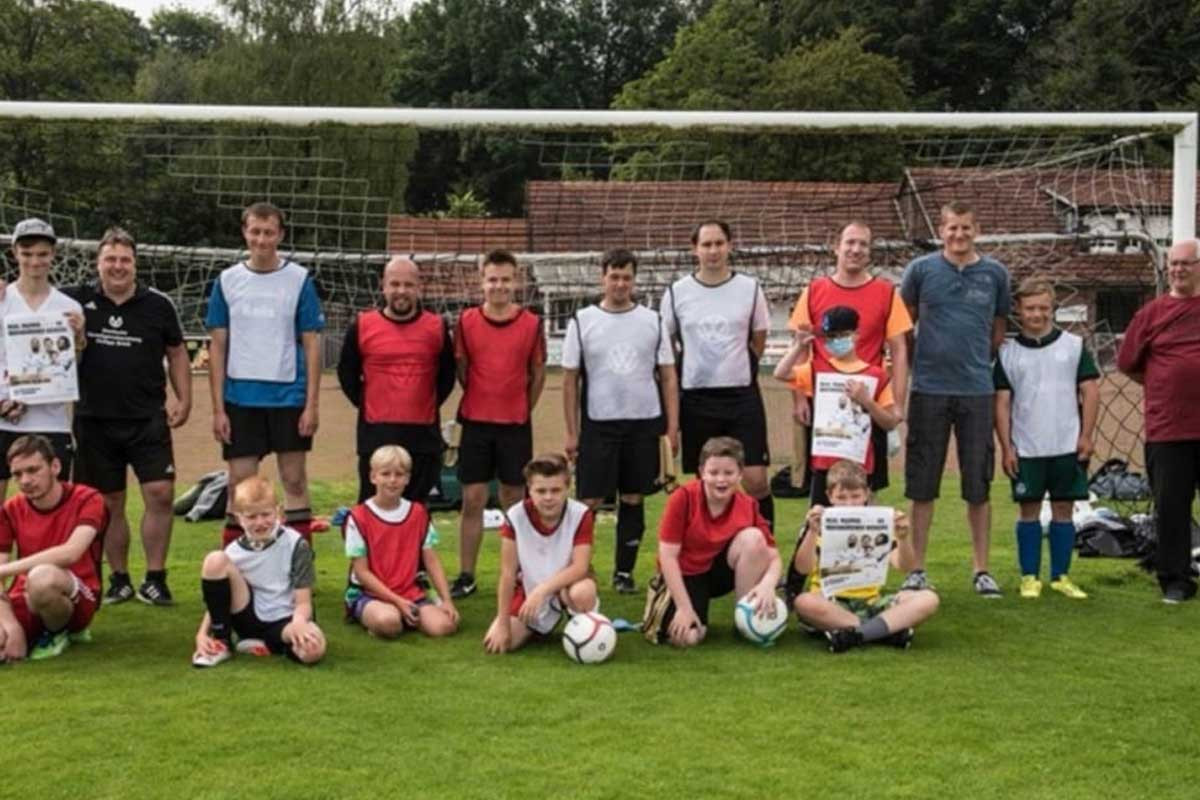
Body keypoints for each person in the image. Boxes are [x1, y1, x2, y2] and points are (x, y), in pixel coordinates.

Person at [64, 227, 191, 606]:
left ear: (135, 264)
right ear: (97, 263)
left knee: (161, 493)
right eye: (110, 260)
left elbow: (178, 353)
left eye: (125, 260)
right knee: (108, 503)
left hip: (147, 418)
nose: (117, 267)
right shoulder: (73, 300)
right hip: (93, 419)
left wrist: (184, 397)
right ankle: (118, 578)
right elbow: (30, 309)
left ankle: (155, 578)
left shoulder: (158, 305)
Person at [899, 201, 1011, 597]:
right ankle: (916, 568)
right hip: (928, 388)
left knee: (978, 483)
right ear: (941, 230)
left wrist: (977, 360)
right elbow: (903, 326)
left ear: (976, 228)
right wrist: (920, 363)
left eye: (966, 228)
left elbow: (998, 328)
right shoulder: (921, 271)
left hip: (977, 391)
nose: (958, 235)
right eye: (952, 228)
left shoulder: (996, 274)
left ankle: (982, 570)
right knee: (922, 484)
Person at [205, 202, 324, 546]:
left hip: (288, 397)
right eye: (255, 231)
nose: (261, 239)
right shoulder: (227, 282)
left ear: (280, 235)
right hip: (241, 399)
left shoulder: (299, 280)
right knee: (240, 485)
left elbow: (312, 345)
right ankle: (235, 568)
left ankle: (300, 566)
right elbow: (217, 347)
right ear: (245, 232)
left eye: (269, 232)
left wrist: (311, 404)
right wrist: (218, 409)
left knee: (294, 480)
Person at [562, 248, 679, 593]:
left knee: (633, 497)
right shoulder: (582, 321)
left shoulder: (652, 320)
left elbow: (668, 376)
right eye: (614, 276)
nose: (620, 283)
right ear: (603, 278)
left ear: (634, 280)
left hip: (643, 424)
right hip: (599, 424)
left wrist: (671, 428)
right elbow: (570, 381)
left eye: (627, 277)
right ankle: (581, 569)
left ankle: (623, 573)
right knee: (590, 502)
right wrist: (572, 432)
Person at [660, 220, 774, 528]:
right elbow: (667, 342)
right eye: (706, 244)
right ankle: (709, 550)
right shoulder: (676, 293)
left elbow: (758, 337)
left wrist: (739, 364)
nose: (713, 251)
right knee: (707, 481)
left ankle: (765, 545)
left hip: (741, 396)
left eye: (719, 243)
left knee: (755, 479)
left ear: (730, 245)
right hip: (697, 398)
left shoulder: (750, 289)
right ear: (694, 249)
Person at [995, 276, 1099, 600]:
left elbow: (1090, 389)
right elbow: (1002, 401)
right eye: (1030, 308)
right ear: (1018, 310)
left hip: (1066, 444)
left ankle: (1061, 576)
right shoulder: (1007, 352)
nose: (1037, 314)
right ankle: (1029, 577)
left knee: (1063, 509)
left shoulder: (1073, 346)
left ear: (1053, 308)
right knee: (1028, 510)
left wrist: (1086, 434)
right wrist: (1006, 445)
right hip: (1027, 446)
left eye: (1043, 307)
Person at [788, 221, 912, 493]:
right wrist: (799, 398)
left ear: (870, 252)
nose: (856, 249)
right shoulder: (814, 291)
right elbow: (801, 345)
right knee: (823, 486)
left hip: (868, 402)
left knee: (866, 486)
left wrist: (898, 403)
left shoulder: (887, 293)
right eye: (850, 242)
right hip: (824, 403)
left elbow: (899, 349)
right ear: (837, 247)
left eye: (863, 244)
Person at [450, 249, 546, 599]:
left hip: (514, 424)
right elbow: (463, 368)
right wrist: (483, 398)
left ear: (516, 280)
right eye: (492, 279)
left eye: (505, 279)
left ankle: (521, 572)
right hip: (476, 422)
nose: (499, 286)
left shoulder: (532, 324)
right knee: (472, 498)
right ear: (482, 282)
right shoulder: (465, 322)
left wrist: (519, 407)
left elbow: (536, 375)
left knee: (515, 500)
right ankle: (466, 574)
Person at [1116, 238, 1200, 604]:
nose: (1179, 270)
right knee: (1171, 507)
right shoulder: (1151, 315)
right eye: (1174, 264)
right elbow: (1128, 365)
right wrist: (1167, 384)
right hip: (1169, 428)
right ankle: (1175, 580)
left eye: (1186, 263)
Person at [787, 459, 939, 653]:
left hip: (871, 603)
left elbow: (905, 566)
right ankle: (884, 631)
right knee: (804, 602)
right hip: (831, 602)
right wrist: (811, 531)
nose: (849, 503)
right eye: (841, 497)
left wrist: (903, 538)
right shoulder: (820, 522)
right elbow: (802, 569)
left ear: (866, 494)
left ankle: (856, 634)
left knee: (928, 598)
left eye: (855, 496)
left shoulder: (878, 522)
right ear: (829, 496)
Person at [642, 436, 781, 648]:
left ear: (740, 474)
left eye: (728, 473)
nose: (721, 480)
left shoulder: (748, 504)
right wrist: (684, 608)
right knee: (688, 638)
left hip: (719, 572)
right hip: (687, 574)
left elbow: (773, 557)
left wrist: (767, 585)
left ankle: (744, 619)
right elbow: (667, 556)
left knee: (754, 538)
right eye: (713, 473)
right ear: (701, 472)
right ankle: (668, 607)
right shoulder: (683, 498)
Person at [337, 256, 455, 504]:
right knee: (373, 511)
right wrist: (371, 402)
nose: (401, 291)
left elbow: (446, 377)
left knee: (416, 513)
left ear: (419, 287)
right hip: (376, 435)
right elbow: (347, 374)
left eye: (408, 285)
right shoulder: (361, 325)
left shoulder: (437, 327)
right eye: (395, 284)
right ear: (384, 286)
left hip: (423, 438)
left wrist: (424, 403)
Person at [191, 475, 325, 667]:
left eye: (266, 514)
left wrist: (298, 624)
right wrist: (202, 633)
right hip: (248, 616)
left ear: (278, 512)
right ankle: (221, 643)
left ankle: (271, 645)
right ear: (239, 518)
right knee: (214, 560)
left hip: (286, 620)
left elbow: (303, 601)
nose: (260, 522)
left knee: (313, 650)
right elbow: (217, 601)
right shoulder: (234, 551)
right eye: (251, 517)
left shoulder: (296, 544)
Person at [773, 305, 901, 507]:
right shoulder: (817, 369)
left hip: (859, 465)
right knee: (818, 526)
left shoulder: (876, 375)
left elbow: (890, 422)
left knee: (859, 527)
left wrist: (867, 402)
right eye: (830, 337)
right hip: (824, 464)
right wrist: (798, 346)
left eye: (842, 335)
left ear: (857, 335)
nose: (835, 341)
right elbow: (780, 373)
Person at [0, 434, 108, 662]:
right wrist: (11, 626)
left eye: (33, 470)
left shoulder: (88, 498)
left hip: (77, 595)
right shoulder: (11, 509)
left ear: (55, 466)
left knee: (43, 577)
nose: (25, 481)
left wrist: (6, 571)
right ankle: (24, 635)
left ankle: (58, 633)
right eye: (17, 474)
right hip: (25, 597)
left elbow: (71, 552)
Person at [0, 219, 86, 496]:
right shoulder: (3, 299)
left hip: (51, 422)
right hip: (3, 418)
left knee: (51, 507)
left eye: (42, 254)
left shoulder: (69, 308)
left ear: (53, 254)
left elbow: (74, 367)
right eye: (26, 254)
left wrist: (80, 339)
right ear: (14, 253)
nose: (34, 261)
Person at [482, 453, 597, 654]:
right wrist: (503, 624)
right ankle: (535, 626)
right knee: (499, 644)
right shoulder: (515, 516)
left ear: (568, 488)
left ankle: (583, 625)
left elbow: (580, 567)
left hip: (567, 586)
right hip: (528, 588)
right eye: (541, 490)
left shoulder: (581, 514)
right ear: (529, 489)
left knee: (583, 592)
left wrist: (542, 591)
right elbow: (508, 574)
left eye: (556, 490)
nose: (548, 497)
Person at [343, 445, 459, 638]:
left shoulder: (418, 513)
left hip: (410, 591)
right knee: (389, 623)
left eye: (399, 474)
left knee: (445, 626)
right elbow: (361, 572)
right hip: (370, 593)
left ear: (407, 478)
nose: (392, 480)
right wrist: (396, 601)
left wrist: (446, 600)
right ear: (373, 477)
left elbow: (431, 561)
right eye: (385, 474)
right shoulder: (358, 517)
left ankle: (408, 612)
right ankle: (373, 614)